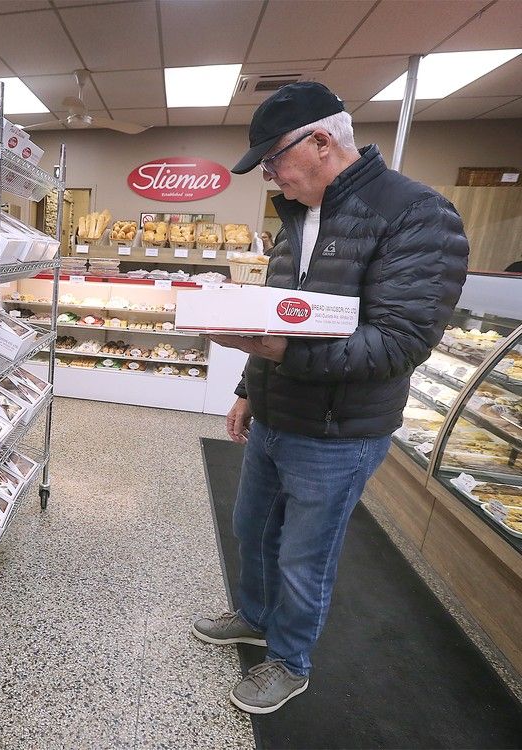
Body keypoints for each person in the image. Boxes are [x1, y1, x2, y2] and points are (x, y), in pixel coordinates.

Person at [191, 82, 469, 714]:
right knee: (252, 528)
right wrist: (247, 389)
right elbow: (280, 316)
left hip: (340, 431)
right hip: (275, 411)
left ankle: (290, 661)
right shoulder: (295, 219)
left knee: (303, 555)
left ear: (321, 141)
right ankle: (256, 617)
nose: (269, 176)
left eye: (274, 160)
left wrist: (283, 355)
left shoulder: (418, 214)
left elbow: (399, 343)